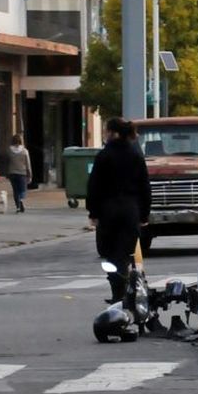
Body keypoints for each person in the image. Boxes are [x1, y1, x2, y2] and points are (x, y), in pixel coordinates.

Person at [86, 117, 151, 301]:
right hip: (131, 210)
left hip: (109, 211)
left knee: (111, 254)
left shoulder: (104, 156)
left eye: (106, 131)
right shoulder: (136, 155)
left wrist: (93, 212)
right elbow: (145, 186)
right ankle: (125, 287)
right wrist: (144, 213)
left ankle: (118, 291)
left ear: (113, 133)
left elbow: (94, 186)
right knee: (125, 252)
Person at [5, 135, 33, 213]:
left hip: (12, 172)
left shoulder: (9, 150)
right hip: (22, 173)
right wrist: (30, 174)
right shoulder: (24, 151)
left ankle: (17, 206)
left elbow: (6, 162)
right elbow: (28, 164)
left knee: (15, 190)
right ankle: (21, 200)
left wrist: (6, 172)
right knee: (22, 189)